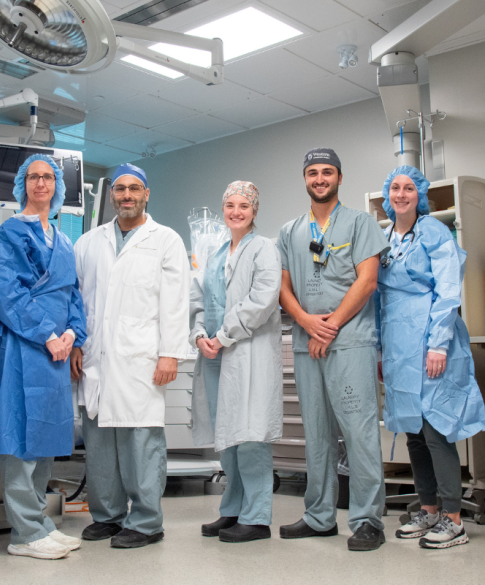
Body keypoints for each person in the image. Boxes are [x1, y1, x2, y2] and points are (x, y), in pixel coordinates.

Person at [71, 163, 190, 549]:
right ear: (111, 196)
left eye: (134, 188)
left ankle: (146, 522)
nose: (126, 195)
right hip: (95, 356)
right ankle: (107, 516)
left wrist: (170, 353)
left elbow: (175, 303)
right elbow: (77, 299)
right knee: (100, 439)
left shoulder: (165, 240)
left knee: (141, 441)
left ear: (146, 194)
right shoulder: (88, 243)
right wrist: (76, 343)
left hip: (142, 356)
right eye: (120, 189)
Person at [276, 148, 390, 551]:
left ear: (339, 178)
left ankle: (367, 520)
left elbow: (367, 281)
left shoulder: (361, 224)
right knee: (317, 434)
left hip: (349, 341)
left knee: (358, 432)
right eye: (312, 172)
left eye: (327, 172)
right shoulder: (290, 231)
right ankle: (320, 516)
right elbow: (283, 287)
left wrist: (332, 324)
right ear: (304, 179)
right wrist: (308, 323)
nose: (319, 178)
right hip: (308, 343)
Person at [374, 165, 485, 549]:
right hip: (397, 344)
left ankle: (454, 518)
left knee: (436, 430)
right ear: (387, 196)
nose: (400, 194)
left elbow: (448, 289)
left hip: (429, 339)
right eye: (394, 188)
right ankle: (429, 510)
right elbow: (377, 297)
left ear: (418, 195)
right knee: (413, 434)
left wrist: (438, 343)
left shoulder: (435, 232)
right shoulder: (384, 237)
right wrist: (379, 348)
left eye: (408, 188)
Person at [0, 154, 87, 560]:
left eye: (48, 177)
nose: (41, 183)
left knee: (45, 438)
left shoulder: (64, 240)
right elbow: (7, 291)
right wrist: (47, 335)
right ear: (22, 185)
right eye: (33, 177)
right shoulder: (11, 232)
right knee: (19, 438)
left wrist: (71, 333)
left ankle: (40, 521)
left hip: (57, 352)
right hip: (23, 346)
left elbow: (74, 295)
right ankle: (24, 532)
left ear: (58, 185)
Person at [189, 181, 283, 543]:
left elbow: (262, 300)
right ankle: (232, 510)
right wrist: (199, 336)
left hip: (246, 353)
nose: (236, 212)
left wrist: (224, 335)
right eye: (230, 205)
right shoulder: (215, 255)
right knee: (225, 437)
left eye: (244, 206)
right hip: (214, 356)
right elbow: (197, 300)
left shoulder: (264, 249)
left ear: (254, 211)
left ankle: (256, 517)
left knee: (250, 434)